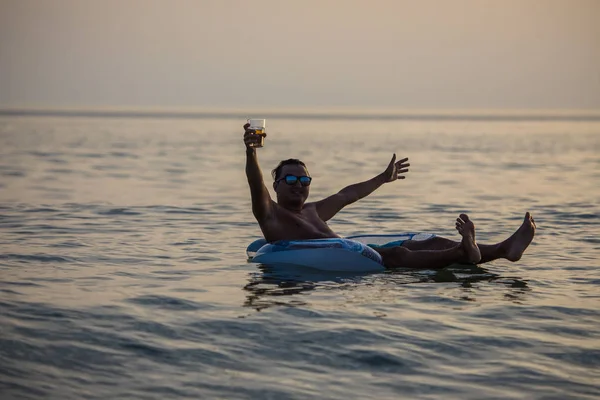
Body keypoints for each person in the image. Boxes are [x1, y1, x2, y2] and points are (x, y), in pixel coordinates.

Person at [243, 123, 536, 269]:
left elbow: (348, 194)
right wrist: (251, 150)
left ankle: (502, 249)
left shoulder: (313, 210)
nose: (299, 184)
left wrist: (383, 178)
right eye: (291, 179)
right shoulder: (270, 213)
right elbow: (256, 183)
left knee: (427, 241)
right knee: (398, 254)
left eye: (304, 178)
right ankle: (464, 251)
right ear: (277, 185)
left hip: (348, 248)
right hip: (341, 260)